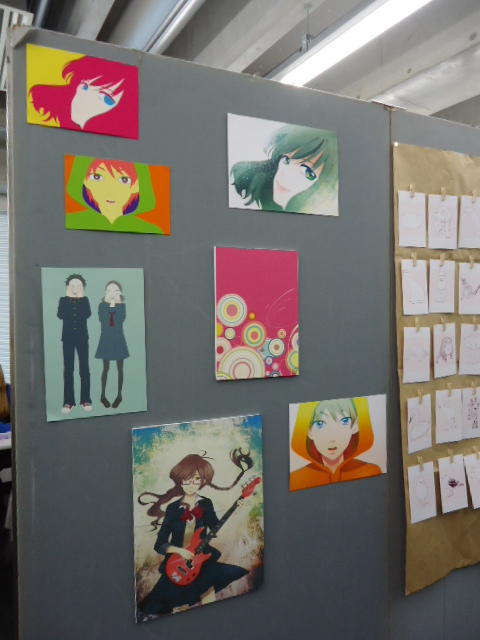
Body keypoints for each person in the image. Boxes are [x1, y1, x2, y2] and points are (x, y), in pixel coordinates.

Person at [137, 451, 253, 618]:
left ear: (202, 480)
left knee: (212, 592)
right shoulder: (172, 509)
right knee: (166, 605)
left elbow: (215, 526)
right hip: (177, 565)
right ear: (180, 481)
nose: (191, 484)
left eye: (196, 479)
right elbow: (159, 544)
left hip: (201, 561)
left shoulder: (206, 503)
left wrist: (237, 506)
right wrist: (180, 551)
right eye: (187, 479)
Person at [230, 123, 337, 214]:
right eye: (286, 159)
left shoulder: (318, 207)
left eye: (307, 172)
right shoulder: (246, 184)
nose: (286, 175)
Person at [28, 54, 137, 137]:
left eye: (106, 98)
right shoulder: (37, 103)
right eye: (85, 86)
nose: (87, 99)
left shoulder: (112, 136)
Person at [290, 397, 381, 491]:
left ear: (355, 426)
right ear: (309, 431)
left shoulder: (371, 471)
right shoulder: (296, 479)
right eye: (320, 424)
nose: (332, 438)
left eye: (344, 421)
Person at [65, 157, 162, 234]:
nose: (110, 191)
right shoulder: (73, 219)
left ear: (136, 186)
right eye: (97, 177)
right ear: (85, 181)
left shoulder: (148, 228)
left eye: (124, 180)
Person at [57, 274, 92, 414]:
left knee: (84, 369)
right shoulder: (63, 300)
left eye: (78, 285)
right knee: (68, 369)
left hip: (82, 338)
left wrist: (79, 298)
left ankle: (86, 399)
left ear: (82, 287)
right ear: (68, 286)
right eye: (72, 285)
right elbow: (60, 314)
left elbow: (87, 314)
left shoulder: (85, 300)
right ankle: (68, 402)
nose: (75, 287)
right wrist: (70, 299)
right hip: (67, 338)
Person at [95, 281, 129, 409]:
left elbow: (118, 322)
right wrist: (111, 304)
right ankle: (102, 395)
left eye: (115, 290)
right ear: (106, 292)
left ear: (119, 292)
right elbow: (104, 322)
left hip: (119, 339)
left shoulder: (122, 306)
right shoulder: (101, 306)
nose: (112, 293)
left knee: (120, 369)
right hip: (106, 339)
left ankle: (119, 395)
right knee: (105, 368)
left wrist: (115, 303)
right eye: (109, 290)